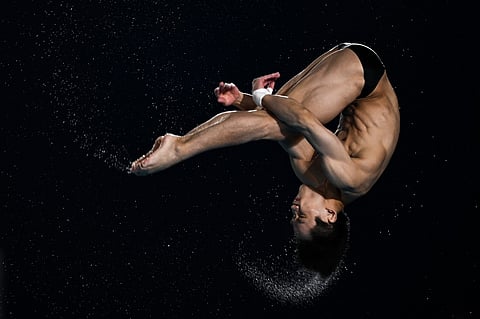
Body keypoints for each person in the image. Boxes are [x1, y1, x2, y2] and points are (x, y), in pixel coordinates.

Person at [130, 42, 400, 277]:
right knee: (284, 121)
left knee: (279, 125)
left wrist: (243, 100)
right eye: (301, 215)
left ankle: (180, 144)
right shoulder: (351, 178)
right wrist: (262, 98)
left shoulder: (311, 175)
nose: (293, 207)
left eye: (291, 215)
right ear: (329, 215)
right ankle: (178, 147)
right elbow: (304, 120)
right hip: (364, 74)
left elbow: (283, 123)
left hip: (352, 68)